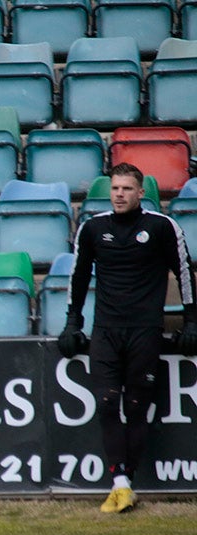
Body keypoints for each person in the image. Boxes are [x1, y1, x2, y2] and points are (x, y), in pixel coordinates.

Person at [59, 162, 197, 513]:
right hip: (105, 331)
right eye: (115, 188)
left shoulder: (162, 227)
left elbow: (184, 273)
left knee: (136, 407)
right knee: (106, 403)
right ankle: (120, 483)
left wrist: (191, 321)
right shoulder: (93, 228)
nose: (119, 194)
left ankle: (125, 482)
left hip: (144, 331)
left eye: (126, 189)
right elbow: (77, 278)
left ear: (140, 194)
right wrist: (72, 322)